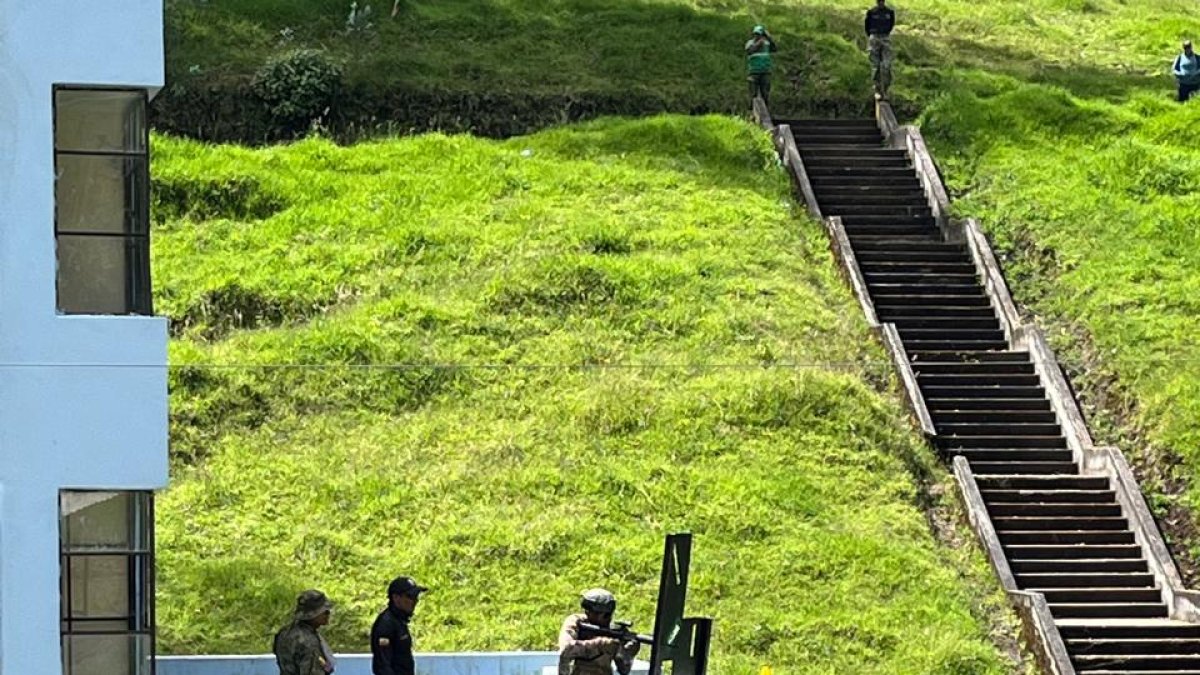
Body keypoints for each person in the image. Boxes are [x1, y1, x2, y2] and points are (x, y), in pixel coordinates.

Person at [558, 588, 639, 675]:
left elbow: (624, 670)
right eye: (605, 615)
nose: (587, 613)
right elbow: (566, 649)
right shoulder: (576, 621)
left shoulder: (613, 631)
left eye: (609, 614)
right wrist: (600, 644)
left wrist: (628, 654)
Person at [370, 575, 429, 675]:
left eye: (416, 597)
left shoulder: (398, 621)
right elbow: (383, 666)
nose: (414, 601)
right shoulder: (386, 624)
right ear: (396, 598)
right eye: (410, 596)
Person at [273, 589, 336, 675]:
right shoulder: (309, 642)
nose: (328, 614)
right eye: (325, 611)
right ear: (313, 614)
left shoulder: (284, 633)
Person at [864, 0, 896, 100]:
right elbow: (867, 26)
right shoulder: (871, 12)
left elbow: (891, 25)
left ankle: (885, 91)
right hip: (874, 38)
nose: (880, 3)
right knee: (875, 66)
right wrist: (872, 36)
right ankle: (877, 90)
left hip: (885, 38)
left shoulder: (889, 13)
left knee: (887, 66)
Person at [745, 25, 778, 104]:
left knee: (765, 94)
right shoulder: (750, 43)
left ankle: (765, 111)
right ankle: (752, 112)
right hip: (754, 72)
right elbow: (749, 51)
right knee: (753, 95)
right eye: (756, 34)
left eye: (759, 35)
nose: (757, 36)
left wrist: (769, 38)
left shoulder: (767, 44)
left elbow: (775, 49)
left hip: (765, 72)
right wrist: (758, 44)